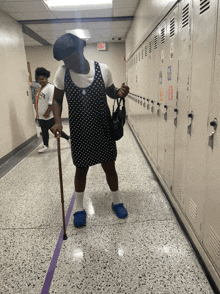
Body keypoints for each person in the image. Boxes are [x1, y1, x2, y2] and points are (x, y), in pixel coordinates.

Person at [52, 33, 130, 227]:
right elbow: (56, 99)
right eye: (64, 60)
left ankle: (116, 201)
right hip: (79, 130)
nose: (68, 63)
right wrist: (57, 121)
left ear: (81, 50)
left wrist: (119, 93)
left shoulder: (102, 69)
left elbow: (111, 92)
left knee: (109, 167)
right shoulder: (62, 73)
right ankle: (79, 208)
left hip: (103, 128)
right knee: (81, 170)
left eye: (70, 58)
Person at [35, 67, 70, 153]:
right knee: (43, 131)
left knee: (55, 130)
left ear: (46, 78)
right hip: (41, 116)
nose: (41, 81)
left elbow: (52, 102)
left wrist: (47, 112)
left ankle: (69, 139)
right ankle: (46, 146)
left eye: (43, 79)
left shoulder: (50, 88)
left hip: (48, 115)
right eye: (39, 79)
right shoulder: (41, 89)